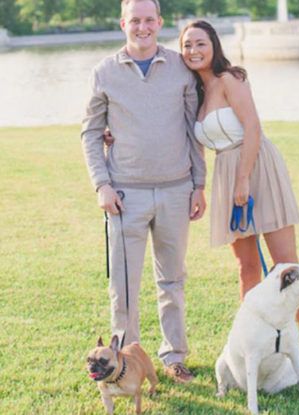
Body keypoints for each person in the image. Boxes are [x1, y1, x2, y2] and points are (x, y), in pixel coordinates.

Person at [180, 20, 299, 382]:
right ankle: (251, 349)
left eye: (200, 43)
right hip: (226, 175)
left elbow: (253, 127)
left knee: (286, 266)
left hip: (256, 166)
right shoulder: (196, 93)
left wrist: (244, 178)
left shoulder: (231, 78)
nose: (193, 50)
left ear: (213, 44)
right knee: (246, 268)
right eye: (187, 45)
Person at [81, 0, 206, 384]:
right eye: (135, 20)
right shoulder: (104, 72)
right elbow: (90, 133)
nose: (143, 27)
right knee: (123, 288)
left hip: (176, 190)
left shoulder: (181, 68)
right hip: (124, 196)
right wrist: (102, 184)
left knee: (172, 281)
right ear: (123, 23)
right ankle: (126, 363)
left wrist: (199, 184)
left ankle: (175, 357)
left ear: (160, 22)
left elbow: (193, 131)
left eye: (149, 20)